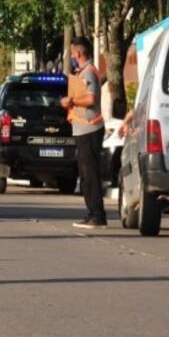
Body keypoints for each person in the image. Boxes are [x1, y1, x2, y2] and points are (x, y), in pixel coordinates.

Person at [61, 36, 107, 229]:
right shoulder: (82, 72)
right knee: (85, 174)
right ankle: (91, 213)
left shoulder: (88, 72)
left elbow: (91, 99)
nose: (71, 56)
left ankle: (97, 215)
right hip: (82, 129)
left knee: (91, 174)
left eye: (72, 53)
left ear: (78, 53)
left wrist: (71, 102)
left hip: (90, 128)